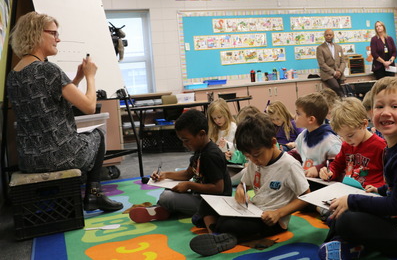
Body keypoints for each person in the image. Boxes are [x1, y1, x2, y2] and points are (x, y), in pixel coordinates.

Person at [318, 77, 397, 260]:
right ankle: (346, 243)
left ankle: (346, 244)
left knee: (348, 217)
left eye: (395, 106)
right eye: (379, 107)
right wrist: (380, 189)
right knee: (343, 212)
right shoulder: (396, 145)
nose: (386, 112)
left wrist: (353, 201)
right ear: (371, 113)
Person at [6, 12, 122, 212]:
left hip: (29, 159)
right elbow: (88, 106)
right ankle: (94, 196)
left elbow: (53, 99)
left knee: (84, 138)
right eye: (53, 33)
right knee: (98, 136)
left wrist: (76, 79)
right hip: (59, 155)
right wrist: (90, 77)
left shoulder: (14, 75)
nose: (58, 39)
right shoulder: (48, 70)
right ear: (35, 34)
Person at [189, 112, 310, 256]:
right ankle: (224, 234)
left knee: (227, 224)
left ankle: (219, 233)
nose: (253, 160)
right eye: (248, 156)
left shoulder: (289, 165)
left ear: (272, 143)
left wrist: (278, 213)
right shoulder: (254, 162)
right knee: (206, 204)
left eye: (257, 154)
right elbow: (244, 184)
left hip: (272, 220)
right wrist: (241, 190)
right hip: (251, 210)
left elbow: (306, 196)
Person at [129, 109, 232, 223]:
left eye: (186, 140)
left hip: (215, 203)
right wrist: (165, 175)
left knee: (166, 197)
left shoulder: (210, 155)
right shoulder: (200, 150)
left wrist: (189, 185)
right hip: (201, 196)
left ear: (201, 134)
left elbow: (218, 188)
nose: (184, 144)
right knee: (169, 191)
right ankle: (162, 210)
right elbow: (187, 174)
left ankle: (161, 210)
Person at [319, 97, 386, 189]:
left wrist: (378, 189)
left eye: (350, 135)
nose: (346, 140)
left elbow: (390, 177)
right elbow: (337, 165)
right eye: (342, 137)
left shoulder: (381, 146)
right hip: (349, 190)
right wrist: (329, 172)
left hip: (371, 194)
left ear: (364, 124)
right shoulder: (346, 145)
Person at [293, 93, 342, 177]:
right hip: (307, 178)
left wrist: (318, 168)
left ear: (311, 119)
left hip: (322, 183)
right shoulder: (303, 135)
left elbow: (338, 163)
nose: (294, 116)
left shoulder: (330, 140)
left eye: (298, 114)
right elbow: (297, 153)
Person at [316, 29, 346, 97]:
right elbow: (322, 64)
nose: (328, 36)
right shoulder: (320, 48)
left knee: (344, 89)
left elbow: (343, 62)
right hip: (328, 74)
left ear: (333, 36)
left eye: (330, 35)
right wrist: (334, 72)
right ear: (324, 36)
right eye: (327, 35)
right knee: (337, 88)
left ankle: (343, 104)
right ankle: (342, 105)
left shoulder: (338, 47)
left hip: (339, 73)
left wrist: (339, 71)